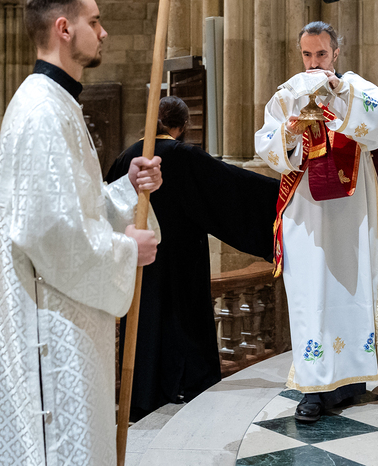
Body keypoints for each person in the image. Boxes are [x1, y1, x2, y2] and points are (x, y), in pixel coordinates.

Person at [0, 0, 162, 466]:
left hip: (69, 316)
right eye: (95, 21)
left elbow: (74, 207)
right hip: (50, 329)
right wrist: (124, 249)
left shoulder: (57, 103)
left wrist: (127, 190)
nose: (104, 32)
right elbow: (47, 231)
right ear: (64, 29)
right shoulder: (41, 110)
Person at [254, 21, 378, 424]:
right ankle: (313, 387)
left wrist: (342, 96)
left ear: (336, 53)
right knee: (310, 294)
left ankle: (350, 382)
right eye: (307, 54)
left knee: (351, 288)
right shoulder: (287, 94)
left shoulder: (358, 88)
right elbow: (266, 144)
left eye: (321, 54)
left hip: (352, 210)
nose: (314, 62)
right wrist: (290, 133)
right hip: (306, 212)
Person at [106, 96, 279, 420]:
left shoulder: (127, 157)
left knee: (144, 324)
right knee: (181, 322)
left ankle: (143, 391)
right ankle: (186, 383)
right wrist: (280, 192)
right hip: (181, 263)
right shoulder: (183, 155)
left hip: (139, 261)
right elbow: (231, 188)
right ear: (184, 125)